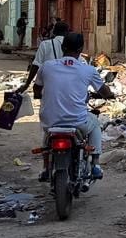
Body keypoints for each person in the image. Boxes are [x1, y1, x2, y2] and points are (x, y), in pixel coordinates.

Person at [33, 31, 111, 180]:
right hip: (77, 122)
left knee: (48, 134)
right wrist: (109, 95)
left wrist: (40, 95)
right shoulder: (88, 70)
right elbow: (104, 91)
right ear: (81, 49)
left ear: (62, 47)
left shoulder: (47, 66)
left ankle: (46, 168)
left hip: (50, 120)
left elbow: (37, 88)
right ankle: (95, 165)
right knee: (95, 124)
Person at [20, 18, 68, 91]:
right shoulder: (72, 45)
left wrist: (27, 84)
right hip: (66, 85)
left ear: (54, 31)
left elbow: (36, 65)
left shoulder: (45, 44)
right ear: (67, 32)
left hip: (49, 84)